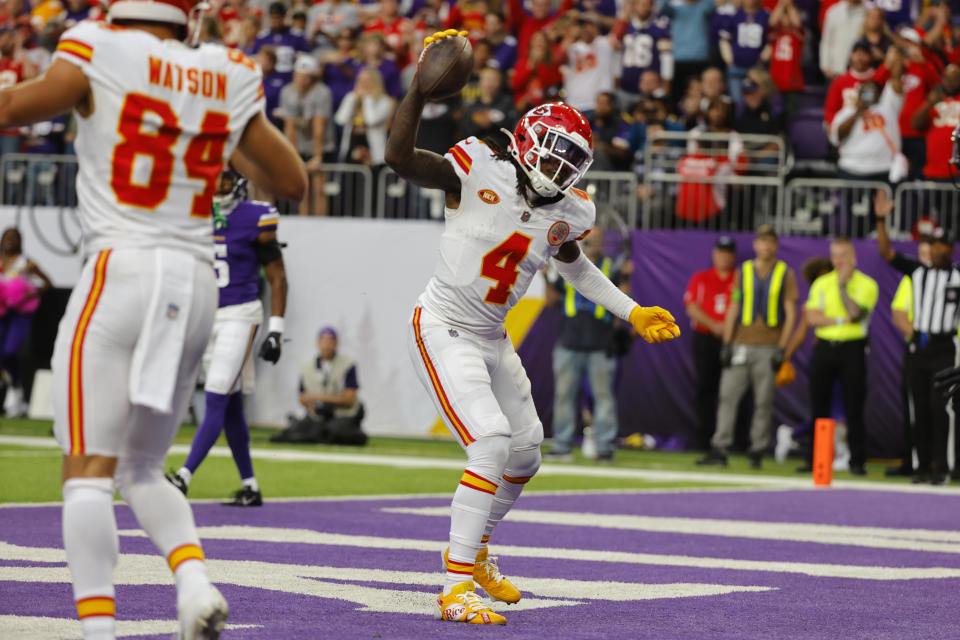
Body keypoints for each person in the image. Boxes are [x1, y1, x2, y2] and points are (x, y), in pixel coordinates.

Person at [2, 1, 306, 638]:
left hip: (121, 267)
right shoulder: (224, 69)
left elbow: (13, 112)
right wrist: (211, 129)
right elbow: (290, 179)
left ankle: (98, 630)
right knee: (140, 466)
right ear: (186, 18)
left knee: (86, 470)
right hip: (196, 285)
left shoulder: (96, 45)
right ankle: (193, 582)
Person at [385, 29, 681, 626]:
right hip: (443, 324)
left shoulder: (571, 210)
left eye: (570, 161)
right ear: (523, 141)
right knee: (490, 440)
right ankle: (455, 586)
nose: (558, 167)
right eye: (552, 152)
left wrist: (631, 309)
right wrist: (418, 91)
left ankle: (477, 549)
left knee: (526, 452)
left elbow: (575, 266)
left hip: (492, 335)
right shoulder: (476, 165)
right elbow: (399, 159)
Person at [167, 169, 288, 506]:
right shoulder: (196, 216)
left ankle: (182, 477)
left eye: (224, 179)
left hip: (240, 313)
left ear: (238, 183)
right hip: (207, 314)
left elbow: (278, 276)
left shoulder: (255, 217)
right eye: (214, 179)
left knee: (217, 394)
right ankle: (250, 486)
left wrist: (276, 329)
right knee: (231, 404)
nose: (217, 186)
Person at [876, 190, 960, 485]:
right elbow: (886, 253)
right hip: (918, 345)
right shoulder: (917, 272)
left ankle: (943, 468)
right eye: (935, 245)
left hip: (944, 347)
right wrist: (880, 220)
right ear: (929, 246)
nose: (939, 250)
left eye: (944, 246)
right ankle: (922, 467)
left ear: (951, 249)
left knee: (941, 410)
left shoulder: (958, 278)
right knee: (919, 408)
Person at [697, 225, 798, 469]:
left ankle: (757, 449)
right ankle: (720, 447)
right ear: (755, 245)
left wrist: (782, 347)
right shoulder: (744, 271)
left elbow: (791, 312)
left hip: (768, 346)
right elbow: (734, 306)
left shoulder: (785, 273)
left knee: (763, 401)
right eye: (762, 241)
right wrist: (728, 342)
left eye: (770, 241)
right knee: (727, 396)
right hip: (742, 342)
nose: (766, 246)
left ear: (775, 245)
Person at [543, 225, 631, 462]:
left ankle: (604, 447)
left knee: (603, 397)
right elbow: (551, 301)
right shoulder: (567, 265)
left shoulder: (612, 267)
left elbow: (623, 301)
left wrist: (625, 278)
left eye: (598, 239)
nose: (594, 243)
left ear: (604, 242)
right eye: (590, 238)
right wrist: (546, 280)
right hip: (569, 340)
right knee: (564, 395)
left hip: (600, 342)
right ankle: (561, 445)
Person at [802, 238, 878, 476]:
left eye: (843, 255)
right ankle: (815, 459)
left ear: (853, 256)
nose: (838, 261)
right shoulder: (822, 283)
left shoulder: (867, 284)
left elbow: (855, 314)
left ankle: (857, 460)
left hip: (853, 347)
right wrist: (836, 320)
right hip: (825, 346)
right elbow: (811, 317)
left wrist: (843, 287)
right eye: (834, 255)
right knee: (818, 404)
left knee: (854, 405)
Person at [683, 236, 736, 451]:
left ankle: (733, 440)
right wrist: (715, 325)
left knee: (733, 391)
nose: (723, 256)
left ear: (733, 256)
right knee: (705, 388)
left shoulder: (740, 278)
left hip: (732, 338)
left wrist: (728, 329)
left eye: (728, 253)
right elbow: (691, 306)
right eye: (720, 252)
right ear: (714, 254)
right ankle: (704, 440)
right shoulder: (701, 278)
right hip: (705, 337)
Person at [271, 326, 366, 444]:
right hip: (317, 417)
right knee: (297, 431)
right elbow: (302, 397)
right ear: (318, 342)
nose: (326, 345)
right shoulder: (307, 367)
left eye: (330, 341)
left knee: (334, 430)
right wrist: (311, 404)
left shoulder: (348, 365)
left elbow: (349, 398)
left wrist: (318, 398)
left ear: (336, 343)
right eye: (323, 340)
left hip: (341, 415)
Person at [885, 238, 932, 477]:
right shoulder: (911, 278)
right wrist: (920, 338)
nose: (926, 258)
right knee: (914, 405)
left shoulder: (953, 278)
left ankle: (948, 463)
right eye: (922, 253)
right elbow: (899, 313)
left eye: (929, 253)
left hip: (950, 350)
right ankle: (912, 461)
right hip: (919, 349)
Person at [0, 227, 51, 417]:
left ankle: (16, 390)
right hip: (2, 312)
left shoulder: (26, 262)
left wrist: (30, 294)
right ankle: (14, 387)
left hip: (20, 312)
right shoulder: (1, 261)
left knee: (10, 351)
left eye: (14, 238)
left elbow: (47, 282)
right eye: (7, 237)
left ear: (20, 241)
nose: (10, 241)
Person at [279, 54, 332, 215]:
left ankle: (321, 223)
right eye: (297, 75)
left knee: (319, 189)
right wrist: (292, 155)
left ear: (312, 77)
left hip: (321, 145)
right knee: (303, 189)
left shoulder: (321, 92)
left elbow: (319, 127)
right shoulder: (288, 92)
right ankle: (304, 222)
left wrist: (318, 155)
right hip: (301, 144)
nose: (299, 80)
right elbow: (290, 127)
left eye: (304, 77)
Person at [252, 1, 311, 84]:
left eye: (278, 17)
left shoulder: (297, 35)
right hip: (267, 80)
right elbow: (254, 60)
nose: (276, 21)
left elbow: (306, 60)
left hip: (290, 79)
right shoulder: (262, 37)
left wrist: (299, 58)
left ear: (284, 17)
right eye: (273, 17)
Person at [820, 0, 866, 80]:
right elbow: (827, 41)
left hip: (860, 70)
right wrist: (825, 66)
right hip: (835, 69)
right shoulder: (834, 11)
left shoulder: (868, 12)